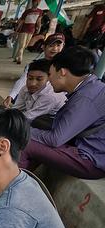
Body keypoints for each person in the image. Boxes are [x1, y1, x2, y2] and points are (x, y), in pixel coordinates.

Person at [19, 46, 105, 180]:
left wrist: (20, 130)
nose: (49, 80)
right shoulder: (90, 87)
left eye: (50, 74)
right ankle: (26, 178)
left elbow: (55, 139)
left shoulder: (85, 98)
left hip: (92, 158)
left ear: (63, 72)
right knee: (39, 123)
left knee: (25, 144)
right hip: (89, 148)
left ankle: (6, 190)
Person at [3, 33, 65, 108]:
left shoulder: (64, 68)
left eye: (58, 45)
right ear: (44, 47)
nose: (55, 49)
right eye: (51, 45)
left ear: (63, 47)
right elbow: (23, 80)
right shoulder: (34, 64)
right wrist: (11, 95)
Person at [14, 0, 43, 65]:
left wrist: (39, 28)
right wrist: (17, 30)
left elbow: (39, 21)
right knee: (22, 44)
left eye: (38, 2)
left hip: (31, 30)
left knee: (25, 45)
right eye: (36, 1)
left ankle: (17, 56)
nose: (37, 3)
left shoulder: (40, 11)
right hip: (24, 29)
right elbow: (21, 21)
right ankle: (20, 58)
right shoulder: (27, 11)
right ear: (33, 2)